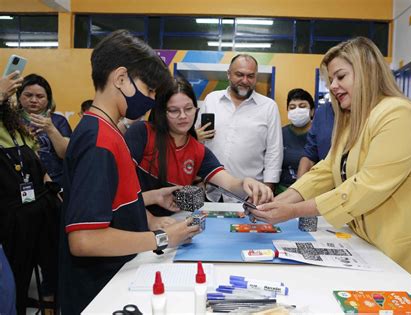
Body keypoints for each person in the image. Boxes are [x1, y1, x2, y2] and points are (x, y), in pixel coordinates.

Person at [250, 37, 411, 312]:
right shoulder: (353, 120)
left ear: (367, 71)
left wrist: (292, 211)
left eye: (341, 76)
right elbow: (326, 170)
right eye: (331, 80)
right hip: (373, 250)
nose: (334, 86)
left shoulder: (399, 115)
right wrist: (284, 200)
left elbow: (365, 187)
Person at [58, 30, 200, 315]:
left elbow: (109, 203)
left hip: (116, 277)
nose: (150, 100)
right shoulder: (99, 141)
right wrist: (162, 239)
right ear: (121, 79)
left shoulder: (107, 132)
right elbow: (84, 239)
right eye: (149, 90)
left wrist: (150, 201)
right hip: (98, 291)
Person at [125, 77, 273, 217]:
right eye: (174, 110)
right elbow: (116, 189)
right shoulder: (142, 133)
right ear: (161, 112)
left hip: (173, 225)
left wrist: (245, 182)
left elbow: (228, 183)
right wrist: (152, 205)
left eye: (189, 109)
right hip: (132, 222)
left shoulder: (198, 151)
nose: (183, 116)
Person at [0, 72, 61, 315]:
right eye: (24, 95)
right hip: (11, 219)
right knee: (14, 281)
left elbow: (38, 164)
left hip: (39, 210)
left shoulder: (17, 128)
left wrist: (56, 189)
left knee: (52, 266)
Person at [197, 54, 283, 198]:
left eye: (250, 76)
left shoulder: (269, 107)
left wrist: (268, 188)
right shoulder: (211, 99)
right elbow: (198, 143)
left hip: (250, 194)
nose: (245, 81)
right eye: (239, 74)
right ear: (229, 74)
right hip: (210, 190)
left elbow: (274, 151)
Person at [17, 74, 72, 185]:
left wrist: (50, 129)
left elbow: (65, 153)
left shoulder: (58, 120)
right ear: (19, 96)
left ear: (48, 99)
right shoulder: (12, 120)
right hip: (23, 182)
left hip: (57, 182)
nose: (33, 100)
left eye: (40, 96)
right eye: (28, 95)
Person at [277, 88, 315, 193]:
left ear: (312, 111)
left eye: (302, 106)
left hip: (311, 192)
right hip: (282, 191)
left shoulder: (319, 134)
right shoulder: (280, 134)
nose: (297, 111)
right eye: (292, 107)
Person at [296, 100, 334, 178]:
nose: (334, 87)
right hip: (324, 183)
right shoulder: (323, 112)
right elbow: (310, 155)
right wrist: (297, 187)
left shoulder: (365, 117)